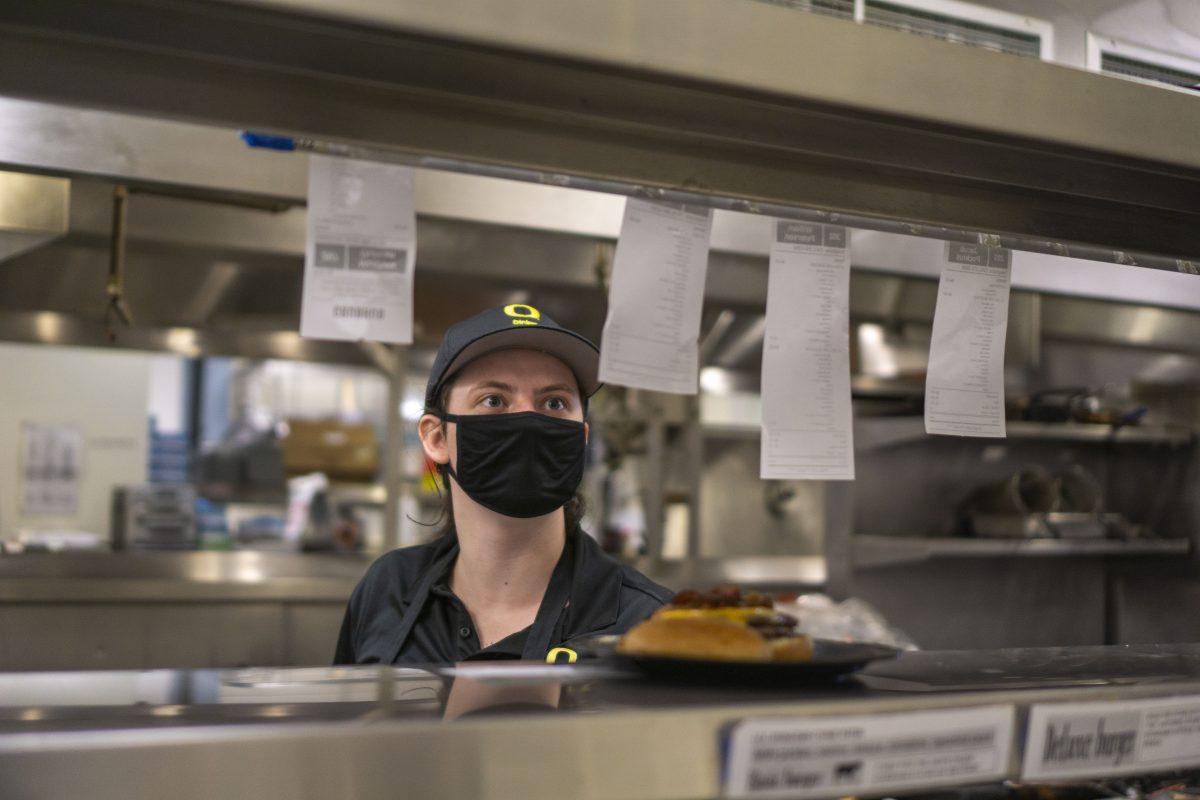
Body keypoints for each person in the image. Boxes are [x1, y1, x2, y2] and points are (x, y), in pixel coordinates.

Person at [334, 303, 672, 664]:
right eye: (493, 400)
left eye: (554, 402)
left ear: (581, 437)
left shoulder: (651, 623)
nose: (527, 419)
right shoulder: (388, 588)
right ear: (436, 439)